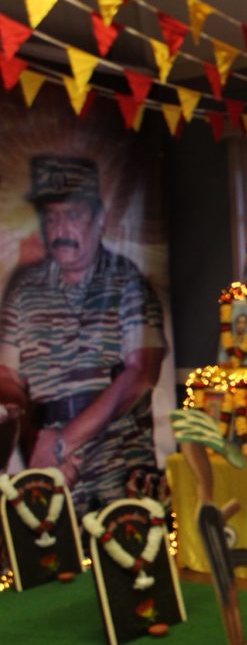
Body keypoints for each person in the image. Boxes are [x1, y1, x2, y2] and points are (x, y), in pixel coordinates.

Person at [0, 156, 165, 517]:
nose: (60, 229)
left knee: (126, 550)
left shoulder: (128, 283)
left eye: (73, 215)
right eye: (51, 217)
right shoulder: (24, 292)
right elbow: (8, 376)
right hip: (50, 470)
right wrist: (38, 443)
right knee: (53, 552)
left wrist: (63, 442)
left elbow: (141, 373)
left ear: (100, 219)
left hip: (118, 467)